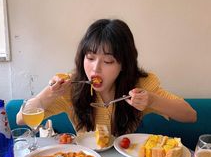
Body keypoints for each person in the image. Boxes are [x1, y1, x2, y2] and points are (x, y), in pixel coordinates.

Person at [17, 19, 196, 136]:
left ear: (123, 64)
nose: (96, 69)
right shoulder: (71, 86)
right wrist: (50, 94)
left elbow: (190, 115)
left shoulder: (140, 85)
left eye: (108, 61)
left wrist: (151, 100)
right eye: (90, 58)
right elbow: (21, 119)